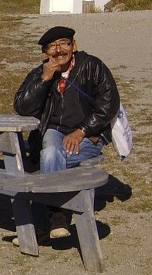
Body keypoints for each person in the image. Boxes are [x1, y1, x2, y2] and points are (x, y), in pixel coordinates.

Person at [13, 25, 120, 237]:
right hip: (54, 132)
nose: (58, 50)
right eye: (52, 47)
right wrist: (44, 81)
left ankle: (48, 223)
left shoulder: (92, 66)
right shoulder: (41, 73)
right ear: (45, 53)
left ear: (74, 46)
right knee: (51, 151)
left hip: (89, 135)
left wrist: (82, 130)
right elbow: (21, 106)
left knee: (49, 157)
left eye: (64, 44)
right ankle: (57, 218)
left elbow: (109, 103)